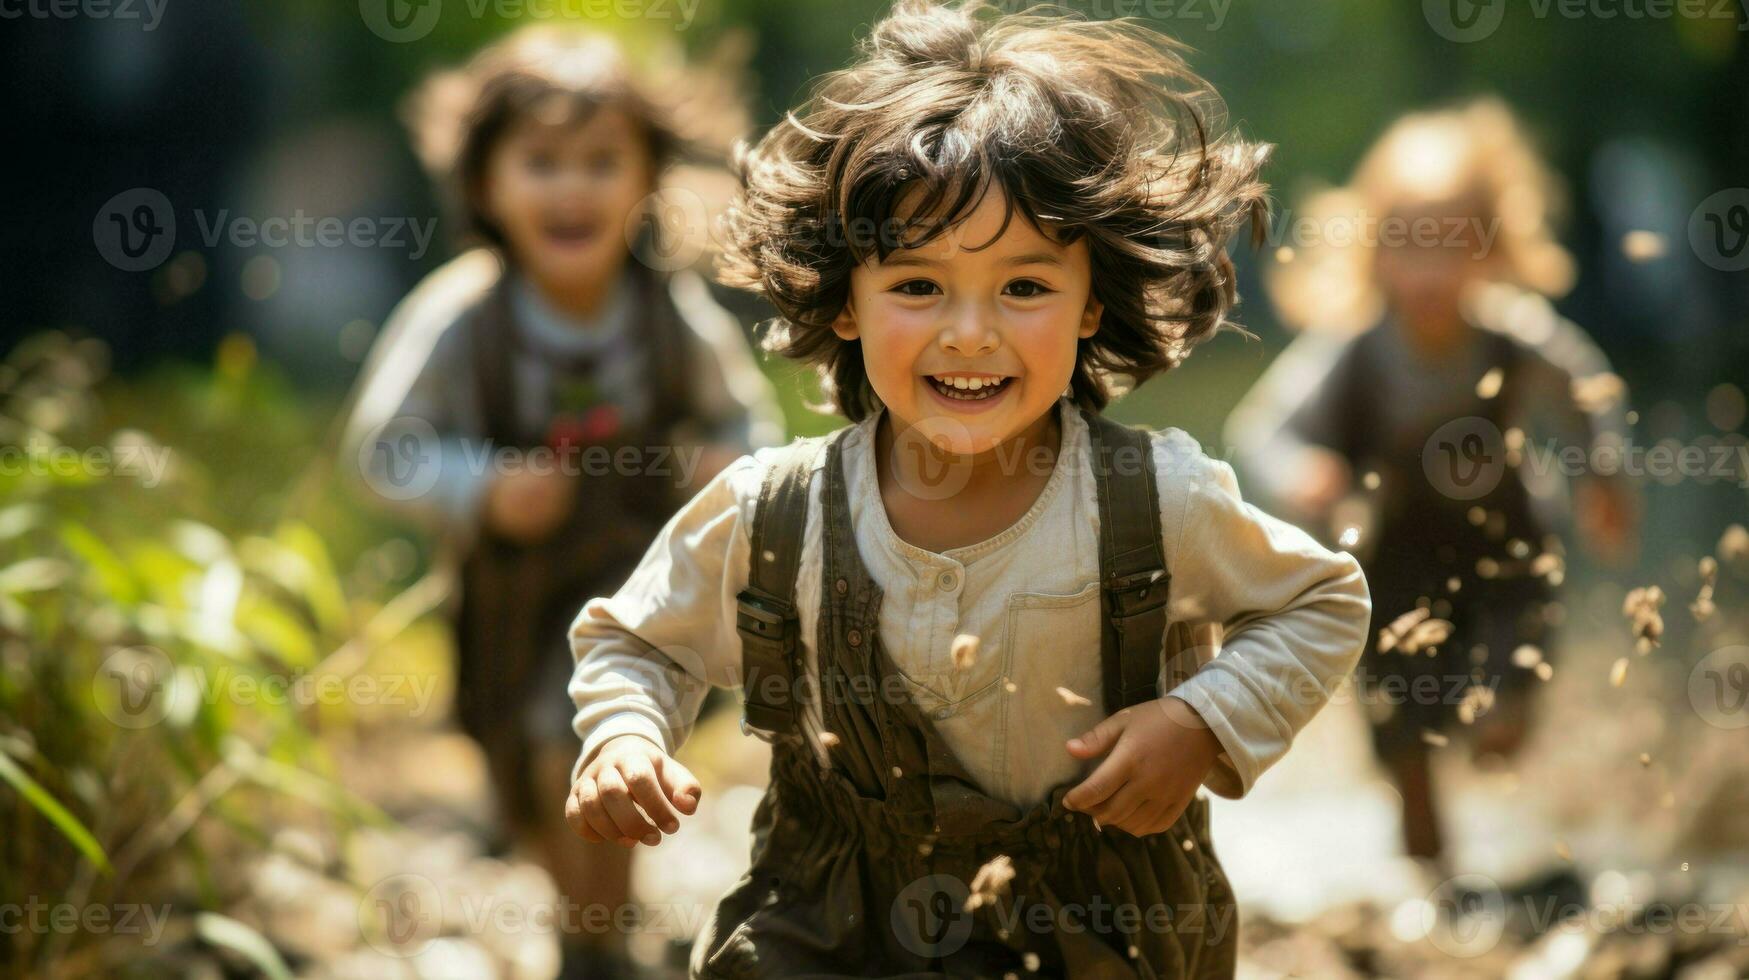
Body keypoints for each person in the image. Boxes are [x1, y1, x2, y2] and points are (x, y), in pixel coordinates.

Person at [565, 2, 1373, 976]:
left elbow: (1321, 599)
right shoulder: (776, 513)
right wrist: (624, 734)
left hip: (1096, 917)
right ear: (847, 300)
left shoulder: (1149, 501)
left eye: (1024, 287)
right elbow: (635, 637)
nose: (970, 332)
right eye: (919, 286)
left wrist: (1203, 719)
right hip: (833, 920)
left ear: (1090, 306)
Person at [342, 26, 782, 978]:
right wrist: (480, 487)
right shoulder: (464, 316)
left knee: (590, 740)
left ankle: (596, 938)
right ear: (485, 184)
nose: (571, 188)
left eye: (600, 162)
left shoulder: (671, 314)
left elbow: (752, 431)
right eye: (540, 162)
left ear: (646, 179)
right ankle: (582, 915)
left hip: (639, 590)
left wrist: (724, 467)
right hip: (515, 595)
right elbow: (382, 451)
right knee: (529, 768)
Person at [1225, 98, 1637, 874]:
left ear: (1490, 250)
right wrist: (1303, 473)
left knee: (1502, 703)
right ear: (1374, 251)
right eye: (1408, 249)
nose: (1429, 274)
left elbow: (1587, 394)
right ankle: (1426, 893)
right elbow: (1261, 429)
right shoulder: (1353, 352)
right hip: (1391, 568)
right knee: (1402, 740)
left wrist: (1604, 475)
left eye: (1451, 249)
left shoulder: (1516, 336)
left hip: (1507, 549)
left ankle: (1505, 719)